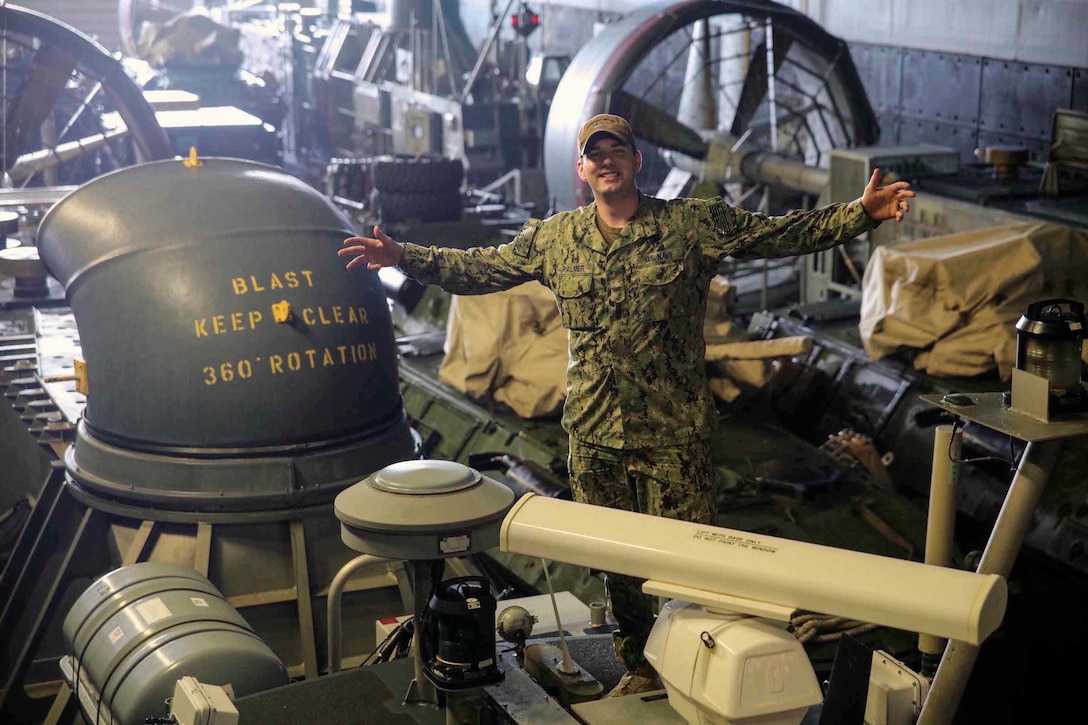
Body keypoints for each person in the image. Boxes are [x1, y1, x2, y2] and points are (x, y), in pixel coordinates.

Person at [340, 113, 915, 697]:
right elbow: (480, 269)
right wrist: (403, 256)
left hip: (674, 437)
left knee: (696, 563)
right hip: (593, 438)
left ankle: (704, 672)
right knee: (617, 566)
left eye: (619, 149)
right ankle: (640, 666)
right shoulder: (556, 239)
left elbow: (778, 234)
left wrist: (860, 215)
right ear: (582, 168)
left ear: (638, 163)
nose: (607, 159)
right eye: (595, 152)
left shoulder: (691, 225)